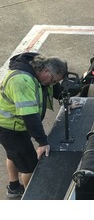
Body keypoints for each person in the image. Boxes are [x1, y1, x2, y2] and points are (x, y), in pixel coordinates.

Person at [0, 52, 67, 198]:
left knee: (14, 155)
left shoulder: (38, 70)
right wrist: (42, 142)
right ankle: (31, 200)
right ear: (46, 71)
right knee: (30, 166)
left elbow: (53, 89)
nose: (53, 84)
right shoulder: (21, 81)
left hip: (15, 125)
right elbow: (29, 115)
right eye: (53, 80)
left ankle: (13, 188)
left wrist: (65, 100)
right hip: (10, 128)